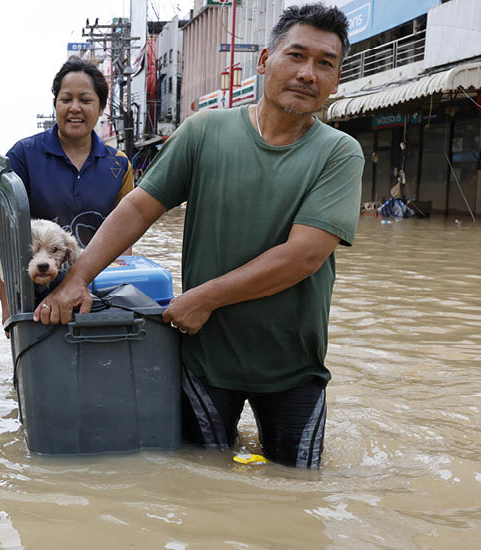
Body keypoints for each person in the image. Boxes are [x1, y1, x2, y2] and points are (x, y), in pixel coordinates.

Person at [35, 3, 363, 468]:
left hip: (293, 367)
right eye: (296, 56)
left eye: (325, 64)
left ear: (336, 80)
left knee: (298, 499)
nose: (308, 73)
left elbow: (303, 257)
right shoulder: (206, 131)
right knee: (198, 493)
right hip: (205, 362)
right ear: (264, 61)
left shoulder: (339, 154)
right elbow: (137, 208)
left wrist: (202, 298)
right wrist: (78, 278)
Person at [0, 56, 135, 325]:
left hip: (97, 298)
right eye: (66, 99)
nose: (75, 108)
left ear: (102, 107)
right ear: (55, 104)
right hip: (36, 303)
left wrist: (118, 291)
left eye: (85, 100)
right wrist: (8, 309)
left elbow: (125, 238)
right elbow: (3, 240)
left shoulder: (119, 164)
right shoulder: (24, 155)